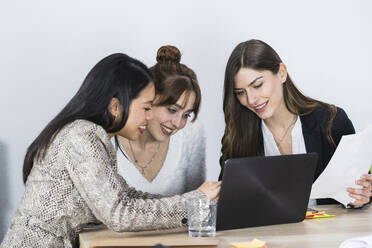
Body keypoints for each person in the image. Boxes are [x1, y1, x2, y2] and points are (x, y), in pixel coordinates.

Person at [1, 54, 220, 248]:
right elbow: (119, 213)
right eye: (145, 108)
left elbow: (126, 196)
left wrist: (195, 200)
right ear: (115, 106)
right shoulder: (82, 135)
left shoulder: (94, 137)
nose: (148, 116)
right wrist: (193, 201)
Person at [218, 39, 372, 207]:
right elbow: (227, 201)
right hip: (267, 233)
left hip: (329, 232)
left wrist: (362, 196)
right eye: (240, 92)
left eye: (257, 85)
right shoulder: (238, 134)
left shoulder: (331, 121)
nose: (251, 99)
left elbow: (360, 188)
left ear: (282, 73)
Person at [114, 45, 205, 195]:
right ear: (149, 99)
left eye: (186, 115)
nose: (177, 123)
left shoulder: (191, 135)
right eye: (172, 110)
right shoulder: (107, 138)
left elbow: (198, 206)